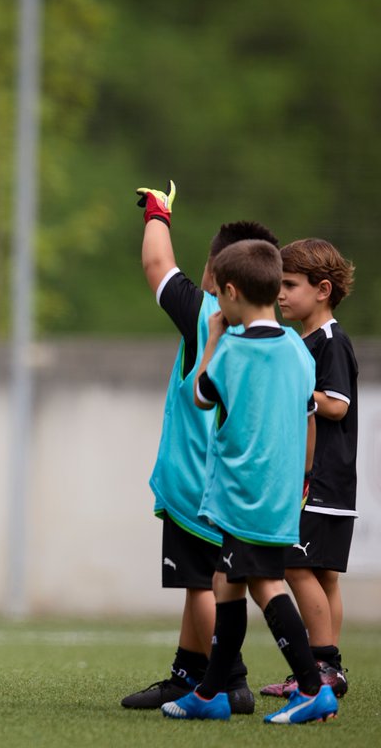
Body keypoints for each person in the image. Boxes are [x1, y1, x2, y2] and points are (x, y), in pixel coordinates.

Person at [164, 239, 338, 725]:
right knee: (227, 580)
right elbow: (310, 422)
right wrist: (302, 480)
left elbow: (199, 396)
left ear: (233, 293)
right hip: (281, 492)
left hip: (242, 493)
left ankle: (311, 687)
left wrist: (214, 339)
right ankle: (213, 691)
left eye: (218, 295)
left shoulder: (234, 352)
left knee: (263, 584)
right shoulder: (299, 352)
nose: (215, 304)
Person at [121, 183, 272, 713]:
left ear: (219, 275)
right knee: (202, 582)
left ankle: (227, 677)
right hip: (242, 480)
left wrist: (157, 211)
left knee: (207, 584)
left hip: (199, 483)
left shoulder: (207, 313)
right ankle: (188, 674)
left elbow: (157, 263)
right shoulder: (277, 340)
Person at [259, 238, 357, 699]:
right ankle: (328, 670)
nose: (280, 294)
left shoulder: (330, 342)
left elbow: (336, 406)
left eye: (289, 285)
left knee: (296, 567)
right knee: (323, 575)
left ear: (322, 289)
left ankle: (321, 668)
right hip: (328, 482)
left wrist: (295, 391)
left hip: (320, 481)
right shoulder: (305, 342)